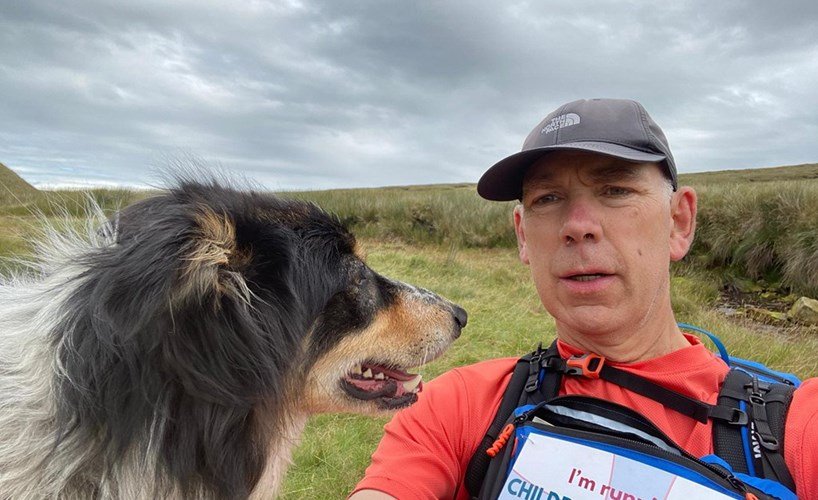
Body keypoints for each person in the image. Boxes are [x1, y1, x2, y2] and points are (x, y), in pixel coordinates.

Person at [349, 98, 818, 499]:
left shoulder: (794, 428)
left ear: (679, 222)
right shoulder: (460, 406)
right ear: (523, 238)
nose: (578, 225)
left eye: (615, 189)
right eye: (547, 199)